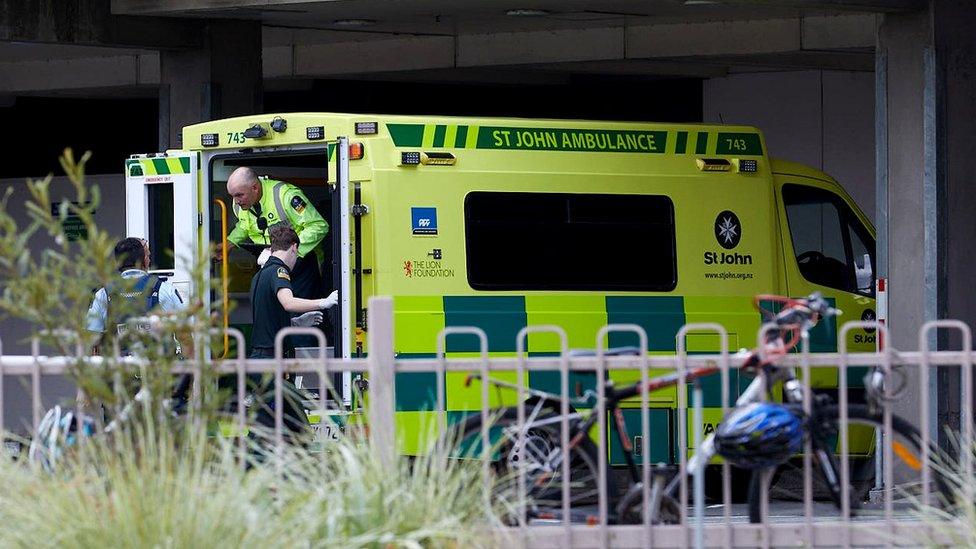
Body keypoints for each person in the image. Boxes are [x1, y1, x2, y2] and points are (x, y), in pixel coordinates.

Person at [246, 224, 337, 440]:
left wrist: (297, 323)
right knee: (283, 424)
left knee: (277, 423)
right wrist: (323, 302)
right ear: (294, 248)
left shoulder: (259, 276)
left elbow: (269, 319)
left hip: (263, 360)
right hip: (270, 362)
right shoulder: (279, 270)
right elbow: (287, 302)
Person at [223, 166, 329, 301]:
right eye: (232, 196)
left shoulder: (285, 195)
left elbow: (319, 226)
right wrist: (229, 243)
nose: (236, 201)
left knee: (301, 313)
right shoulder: (239, 204)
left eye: (239, 195)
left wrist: (286, 251)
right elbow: (245, 225)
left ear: (255, 188)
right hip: (268, 262)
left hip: (299, 261)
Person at [86, 237, 189, 356]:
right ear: (144, 260)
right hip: (159, 369)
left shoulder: (103, 294)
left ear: (117, 263)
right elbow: (184, 333)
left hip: (119, 370)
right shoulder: (164, 288)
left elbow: (93, 340)